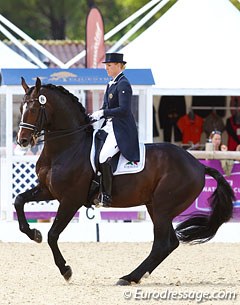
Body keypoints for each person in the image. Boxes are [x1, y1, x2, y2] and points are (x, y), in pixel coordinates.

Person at [90, 52, 140, 207]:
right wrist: (95, 116)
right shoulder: (111, 83)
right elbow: (106, 107)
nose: (107, 68)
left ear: (119, 66)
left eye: (109, 65)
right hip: (109, 126)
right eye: (106, 65)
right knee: (92, 148)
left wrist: (103, 113)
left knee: (104, 156)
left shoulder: (123, 83)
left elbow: (124, 109)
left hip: (121, 129)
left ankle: (107, 195)